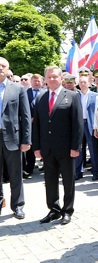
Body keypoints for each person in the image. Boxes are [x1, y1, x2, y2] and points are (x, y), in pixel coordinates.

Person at [33, 65, 83, 225]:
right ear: (45, 79)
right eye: (49, 77)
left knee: (68, 181)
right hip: (47, 148)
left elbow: (77, 124)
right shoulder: (41, 97)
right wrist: (37, 147)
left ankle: (67, 211)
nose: (52, 79)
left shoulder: (72, 96)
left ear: (61, 78)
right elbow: (37, 125)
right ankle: (53, 210)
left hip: (66, 148)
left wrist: (76, 147)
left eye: (55, 76)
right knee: (50, 181)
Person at [0, 57, 32, 220]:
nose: (0, 68)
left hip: (12, 138)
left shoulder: (18, 89)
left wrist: (26, 140)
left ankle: (18, 206)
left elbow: (25, 116)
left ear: (8, 69)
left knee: (15, 174)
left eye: (3, 66)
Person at [75, 76, 98, 181]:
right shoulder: (75, 96)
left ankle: (95, 171)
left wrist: (96, 127)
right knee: (79, 149)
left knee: (93, 148)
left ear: (89, 83)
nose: (83, 84)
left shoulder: (95, 96)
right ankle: (78, 172)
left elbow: (97, 113)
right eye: (81, 82)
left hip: (90, 124)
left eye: (85, 82)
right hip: (79, 124)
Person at [23, 73, 44, 178]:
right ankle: (29, 169)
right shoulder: (25, 93)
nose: (36, 83)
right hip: (30, 123)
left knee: (45, 144)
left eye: (38, 81)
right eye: (34, 81)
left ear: (42, 82)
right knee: (31, 146)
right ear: (31, 82)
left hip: (44, 124)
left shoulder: (46, 93)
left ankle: (47, 167)